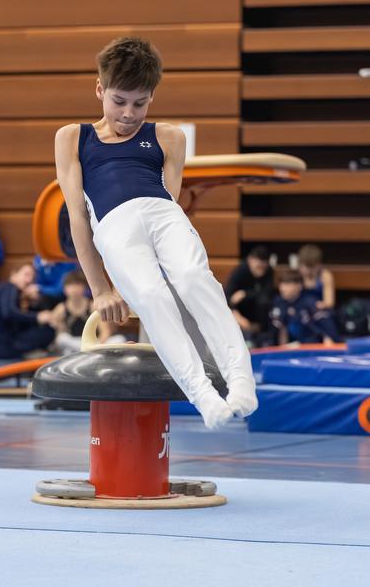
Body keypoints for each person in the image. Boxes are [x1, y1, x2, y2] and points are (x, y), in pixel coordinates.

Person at [54, 36, 257, 429]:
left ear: (151, 97)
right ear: (100, 89)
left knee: (196, 280)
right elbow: (78, 217)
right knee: (150, 296)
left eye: (140, 103)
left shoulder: (169, 137)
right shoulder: (73, 138)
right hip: (114, 226)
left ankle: (241, 379)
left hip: (163, 214)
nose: (129, 113)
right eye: (119, 101)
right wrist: (100, 289)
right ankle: (201, 394)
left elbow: (171, 199)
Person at [0, 263, 54, 359]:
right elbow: (8, 313)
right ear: (14, 275)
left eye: (32, 278)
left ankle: (26, 354)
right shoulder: (9, 287)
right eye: (26, 274)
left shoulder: (0, 290)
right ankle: (26, 354)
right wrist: (37, 317)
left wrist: (34, 303)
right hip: (1, 346)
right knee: (48, 331)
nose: (29, 280)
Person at [270, 269, 340, 345]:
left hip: (313, 345)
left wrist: (327, 340)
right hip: (292, 346)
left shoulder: (310, 303)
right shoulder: (278, 302)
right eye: (281, 284)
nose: (282, 288)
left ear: (299, 286)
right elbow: (282, 329)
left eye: (287, 284)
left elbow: (327, 333)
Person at [225, 245, 275, 345]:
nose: (260, 271)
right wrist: (237, 317)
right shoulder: (240, 272)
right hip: (239, 313)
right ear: (250, 260)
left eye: (263, 267)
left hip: (258, 316)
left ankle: (263, 336)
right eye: (258, 267)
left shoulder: (268, 272)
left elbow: (268, 293)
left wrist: (245, 293)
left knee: (265, 301)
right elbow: (228, 296)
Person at [298, 244, 335, 310]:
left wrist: (323, 305)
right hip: (301, 309)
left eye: (312, 267)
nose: (309, 271)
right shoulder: (296, 274)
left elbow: (329, 302)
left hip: (318, 309)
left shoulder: (325, 275)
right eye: (306, 267)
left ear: (319, 265)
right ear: (300, 265)